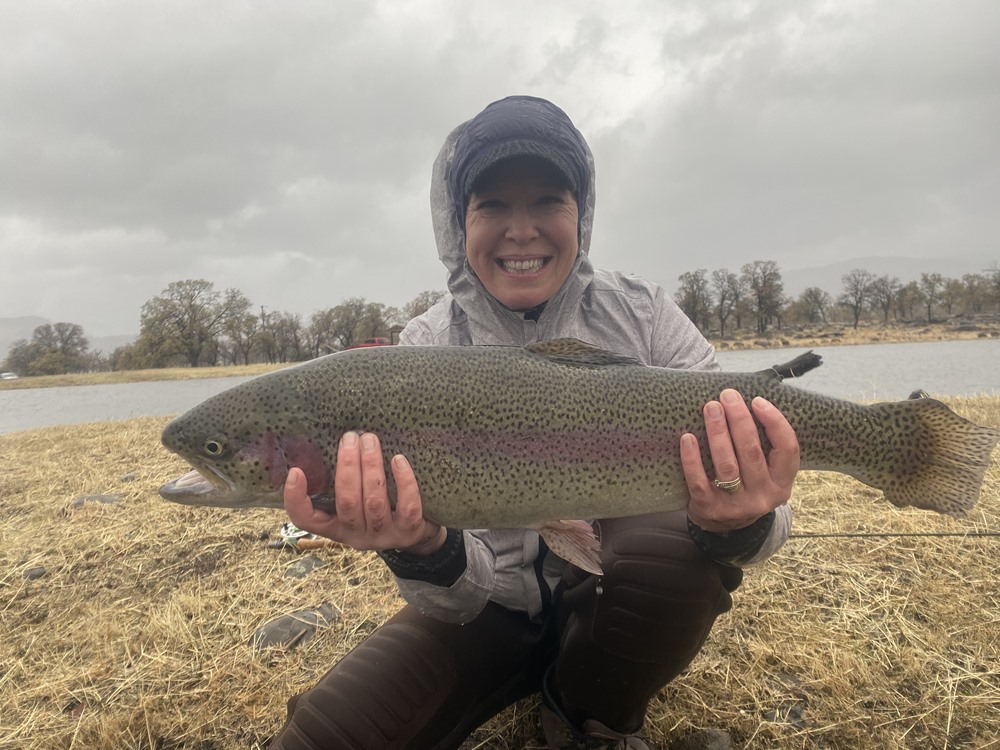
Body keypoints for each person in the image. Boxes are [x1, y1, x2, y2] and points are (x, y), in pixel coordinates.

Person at [269, 95, 798, 750]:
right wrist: (420, 549)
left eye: (548, 200)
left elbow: (772, 524)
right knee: (320, 741)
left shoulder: (646, 318)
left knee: (666, 552)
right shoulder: (423, 350)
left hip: (616, 599)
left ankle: (590, 711)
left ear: (582, 213)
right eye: (492, 206)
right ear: (458, 223)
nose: (522, 230)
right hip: (481, 612)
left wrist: (741, 521)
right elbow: (455, 601)